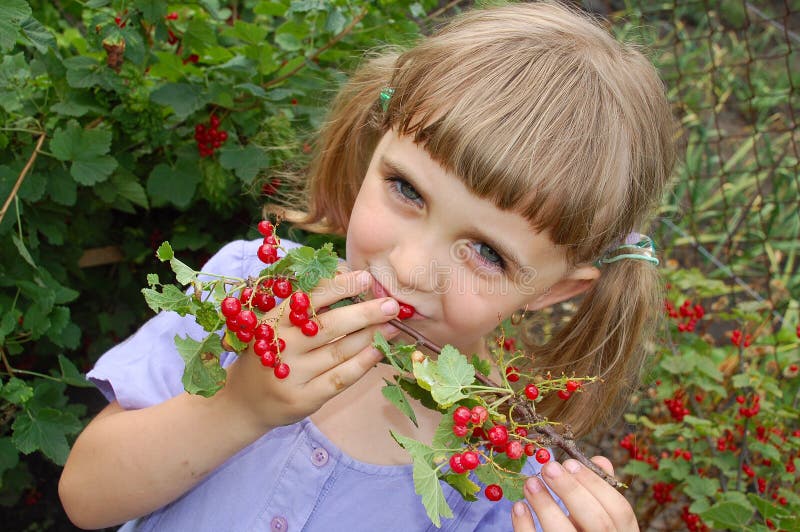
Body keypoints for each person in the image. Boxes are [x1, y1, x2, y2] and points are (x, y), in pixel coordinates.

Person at [59, 2, 675, 530]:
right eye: (406, 189)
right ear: (375, 140)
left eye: (486, 252)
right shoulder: (250, 293)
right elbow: (85, 495)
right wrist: (235, 408)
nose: (409, 266)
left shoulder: (501, 476)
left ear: (554, 290)